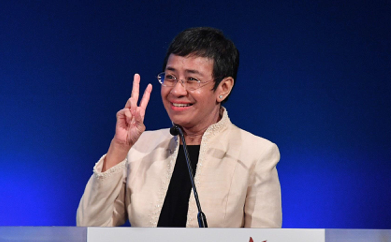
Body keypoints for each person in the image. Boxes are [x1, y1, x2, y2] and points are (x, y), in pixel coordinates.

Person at [77, 27, 282, 228]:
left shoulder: (256, 154)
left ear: (223, 88)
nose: (176, 90)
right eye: (170, 77)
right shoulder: (141, 146)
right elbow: (89, 229)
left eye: (192, 79)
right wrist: (120, 147)